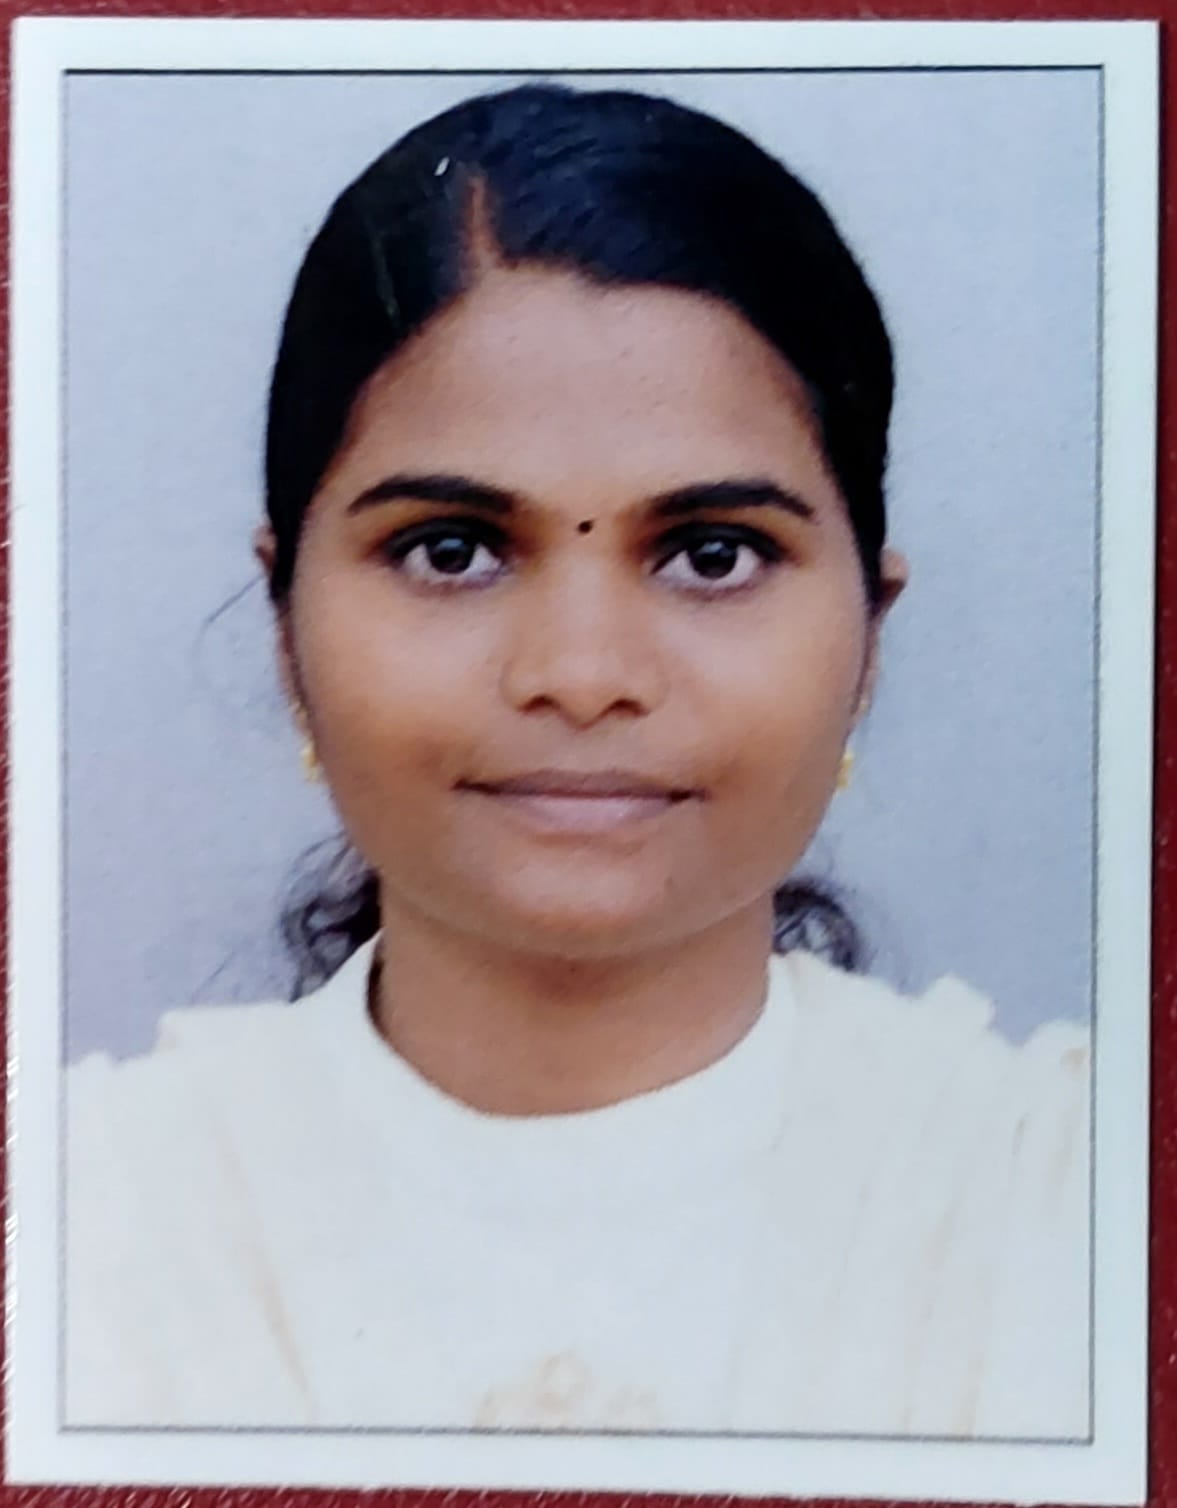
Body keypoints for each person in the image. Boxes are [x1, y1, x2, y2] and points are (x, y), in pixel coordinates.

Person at [66, 82, 1090, 1438]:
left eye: (710, 554)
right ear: (283, 622)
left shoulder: (1070, 1202)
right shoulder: (84, 1211)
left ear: (869, 636)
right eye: (452, 548)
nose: (583, 673)